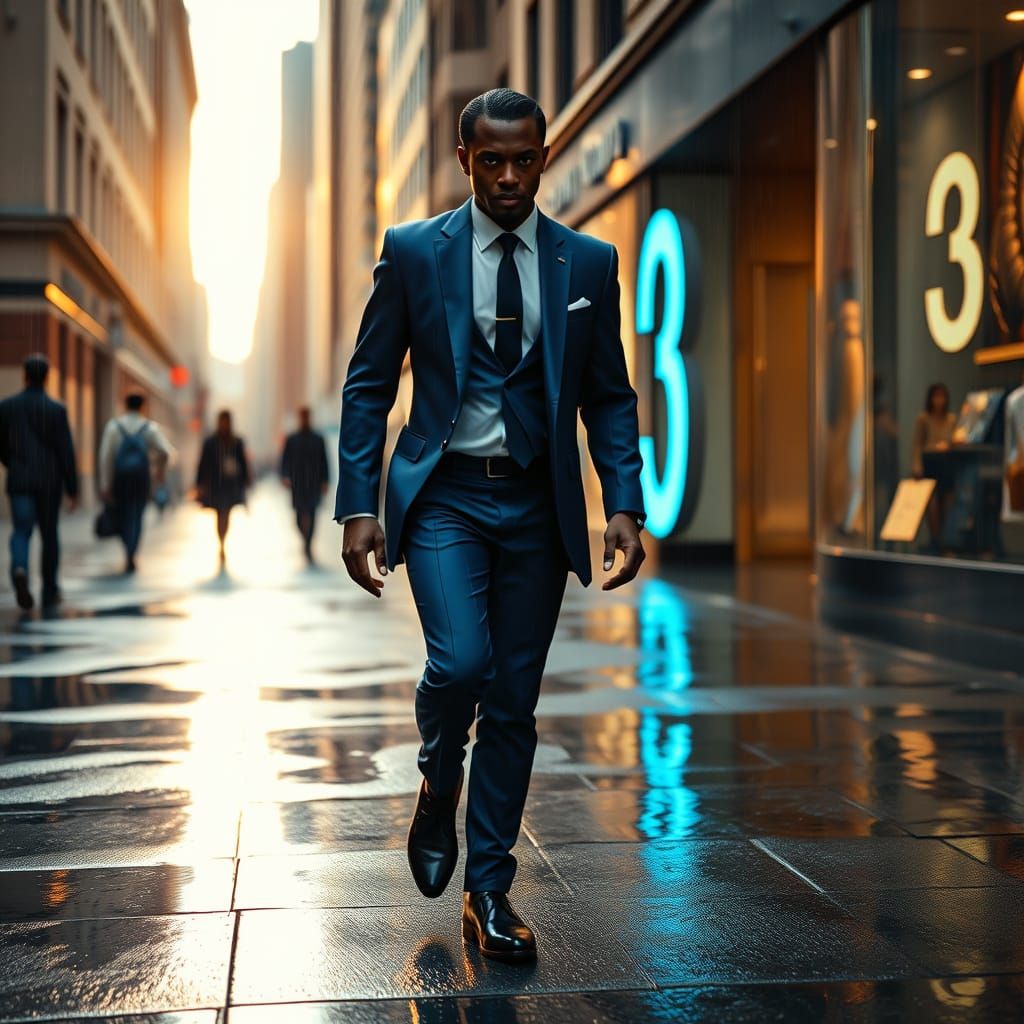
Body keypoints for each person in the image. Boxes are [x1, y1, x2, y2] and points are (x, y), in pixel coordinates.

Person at [336, 89, 646, 963]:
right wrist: (360, 503)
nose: (510, 177)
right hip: (446, 496)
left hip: (538, 508)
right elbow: (369, 385)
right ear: (463, 158)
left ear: (543, 158)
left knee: (513, 702)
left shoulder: (587, 264)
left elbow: (609, 397)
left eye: (525, 159)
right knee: (461, 662)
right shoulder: (412, 253)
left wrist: (622, 502)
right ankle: (440, 773)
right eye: (492, 160)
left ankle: (491, 892)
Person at [0, 353, 79, 609]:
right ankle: (50, 589)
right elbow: (66, 451)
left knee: (21, 530)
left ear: (24, 376)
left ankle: (20, 568)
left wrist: (11, 463)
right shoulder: (57, 410)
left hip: (20, 479)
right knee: (49, 536)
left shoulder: (7, 407)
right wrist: (72, 487)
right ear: (47, 378)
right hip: (49, 483)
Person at [98, 393, 175, 573]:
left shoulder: (114, 426)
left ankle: (128, 549)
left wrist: (105, 484)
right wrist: (159, 472)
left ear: (125, 405)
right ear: (142, 407)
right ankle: (132, 552)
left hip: (120, 479)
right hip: (141, 479)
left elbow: (105, 457)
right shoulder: (149, 428)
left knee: (123, 513)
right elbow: (166, 451)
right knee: (137, 516)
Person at [195, 410, 250, 565]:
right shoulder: (210, 442)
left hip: (231, 485)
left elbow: (243, 463)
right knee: (220, 514)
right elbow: (202, 464)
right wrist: (199, 484)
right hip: (215, 485)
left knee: (227, 514)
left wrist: (246, 480)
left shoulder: (237, 442)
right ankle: (221, 544)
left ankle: (223, 541)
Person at [280, 406, 329, 563]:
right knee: (298, 518)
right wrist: (285, 476)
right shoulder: (292, 439)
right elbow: (285, 461)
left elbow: (324, 462)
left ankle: (308, 545)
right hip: (298, 485)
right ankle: (305, 541)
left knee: (313, 516)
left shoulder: (318, 439)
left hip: (314, 484)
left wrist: (325, 480)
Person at [912, 382, 957, 548]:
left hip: (945, 463)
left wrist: (949, 445)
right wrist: (917, 466)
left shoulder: (951, 419)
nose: (939, 400)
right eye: (936, 396)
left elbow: (955, 439)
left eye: (942, 396)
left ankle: (944, 538)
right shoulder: (924, 419)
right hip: (929, 462)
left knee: (946, 500)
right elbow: (917, 443)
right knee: (932, 503)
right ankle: (934, 537)